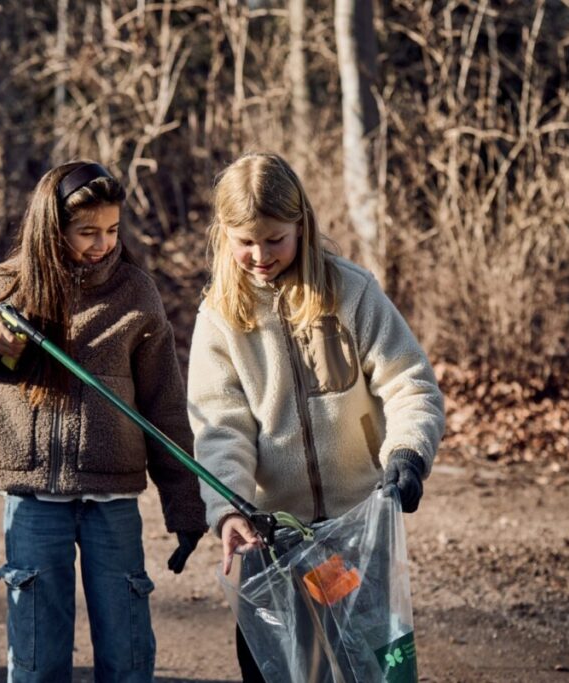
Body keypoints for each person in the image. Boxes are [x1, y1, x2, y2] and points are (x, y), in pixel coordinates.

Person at [0, 160, 207, 682]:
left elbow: (165, 406)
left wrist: (185, 505)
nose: (102, 243)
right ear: (51, 226)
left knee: (129, 658)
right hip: (34, 502)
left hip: (113, 502)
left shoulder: (136, 293)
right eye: (87, 232)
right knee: (37, 661)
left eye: (111, 230)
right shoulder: (4, 285)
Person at [186, 152, 446, 680]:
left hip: (356, 533)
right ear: (224, 236)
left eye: (275, 239)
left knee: (374, 667)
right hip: (271, 538)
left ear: (302, 225)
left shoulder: (352, 292)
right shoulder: (218, 318)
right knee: (283, 670)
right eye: (246, 242)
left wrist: (408, 453)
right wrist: (230, 508)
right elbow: (219, 426)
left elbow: (408, 383)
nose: (260, 255)